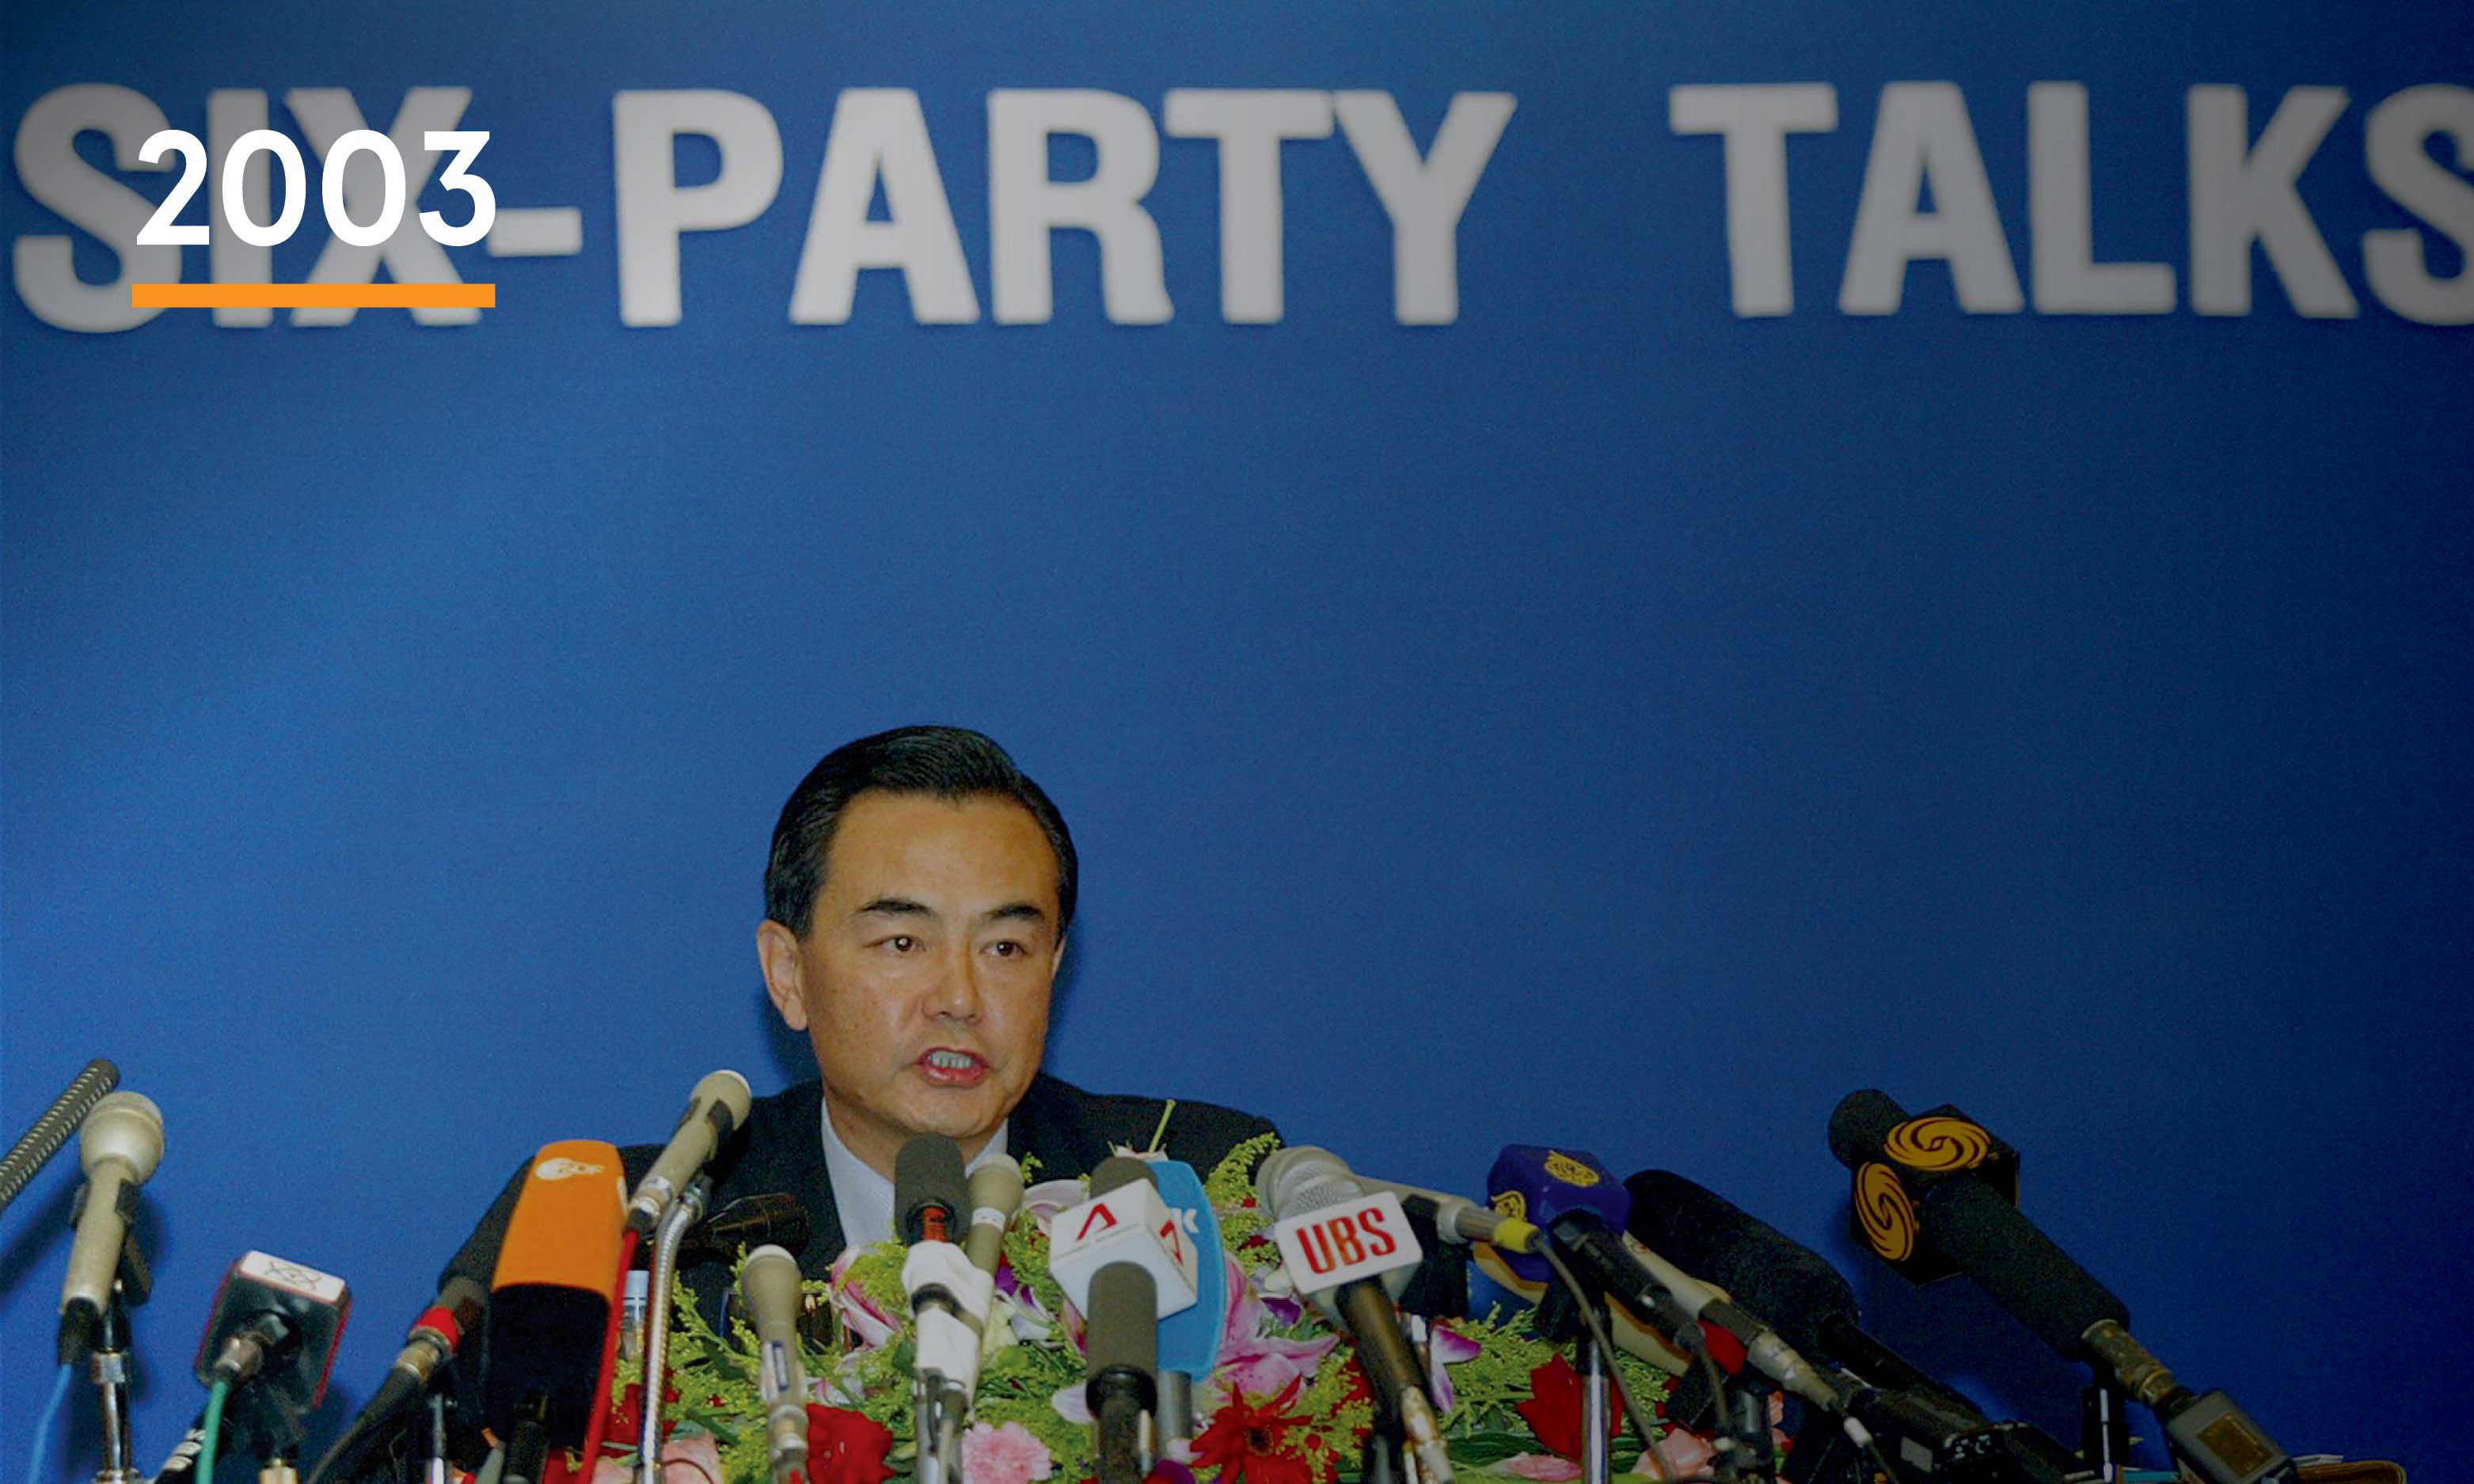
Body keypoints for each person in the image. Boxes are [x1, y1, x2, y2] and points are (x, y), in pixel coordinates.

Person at [439, 726, 1278, 1306]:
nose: (959, 998)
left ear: (1054, 966)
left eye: (1006, 949)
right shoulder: (625, 1230)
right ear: (789, 972)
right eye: (902, 942)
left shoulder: (1207, 1188)